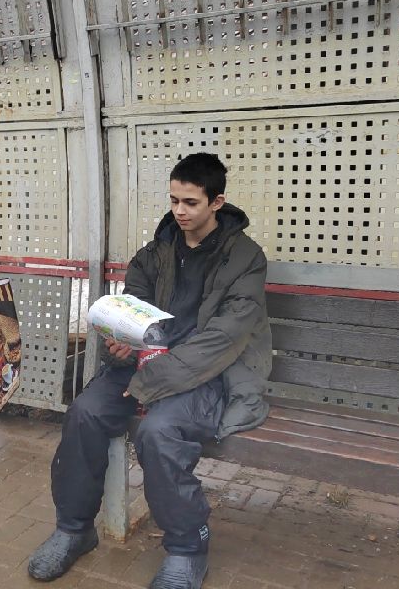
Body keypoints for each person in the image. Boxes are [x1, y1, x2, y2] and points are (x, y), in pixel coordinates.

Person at [28, 153, 273, 589]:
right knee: (84, 413)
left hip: (205, 373)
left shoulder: (245, 258)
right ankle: (74, 528)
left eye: (191, 202)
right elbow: (132, 309)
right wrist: (120, 345)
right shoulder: (156, 252)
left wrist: (151, 379)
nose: (179, 211)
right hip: (142, 367)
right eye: (174, 200)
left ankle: (186, 549)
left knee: (157, 433)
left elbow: (225, 338)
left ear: (217, 202)